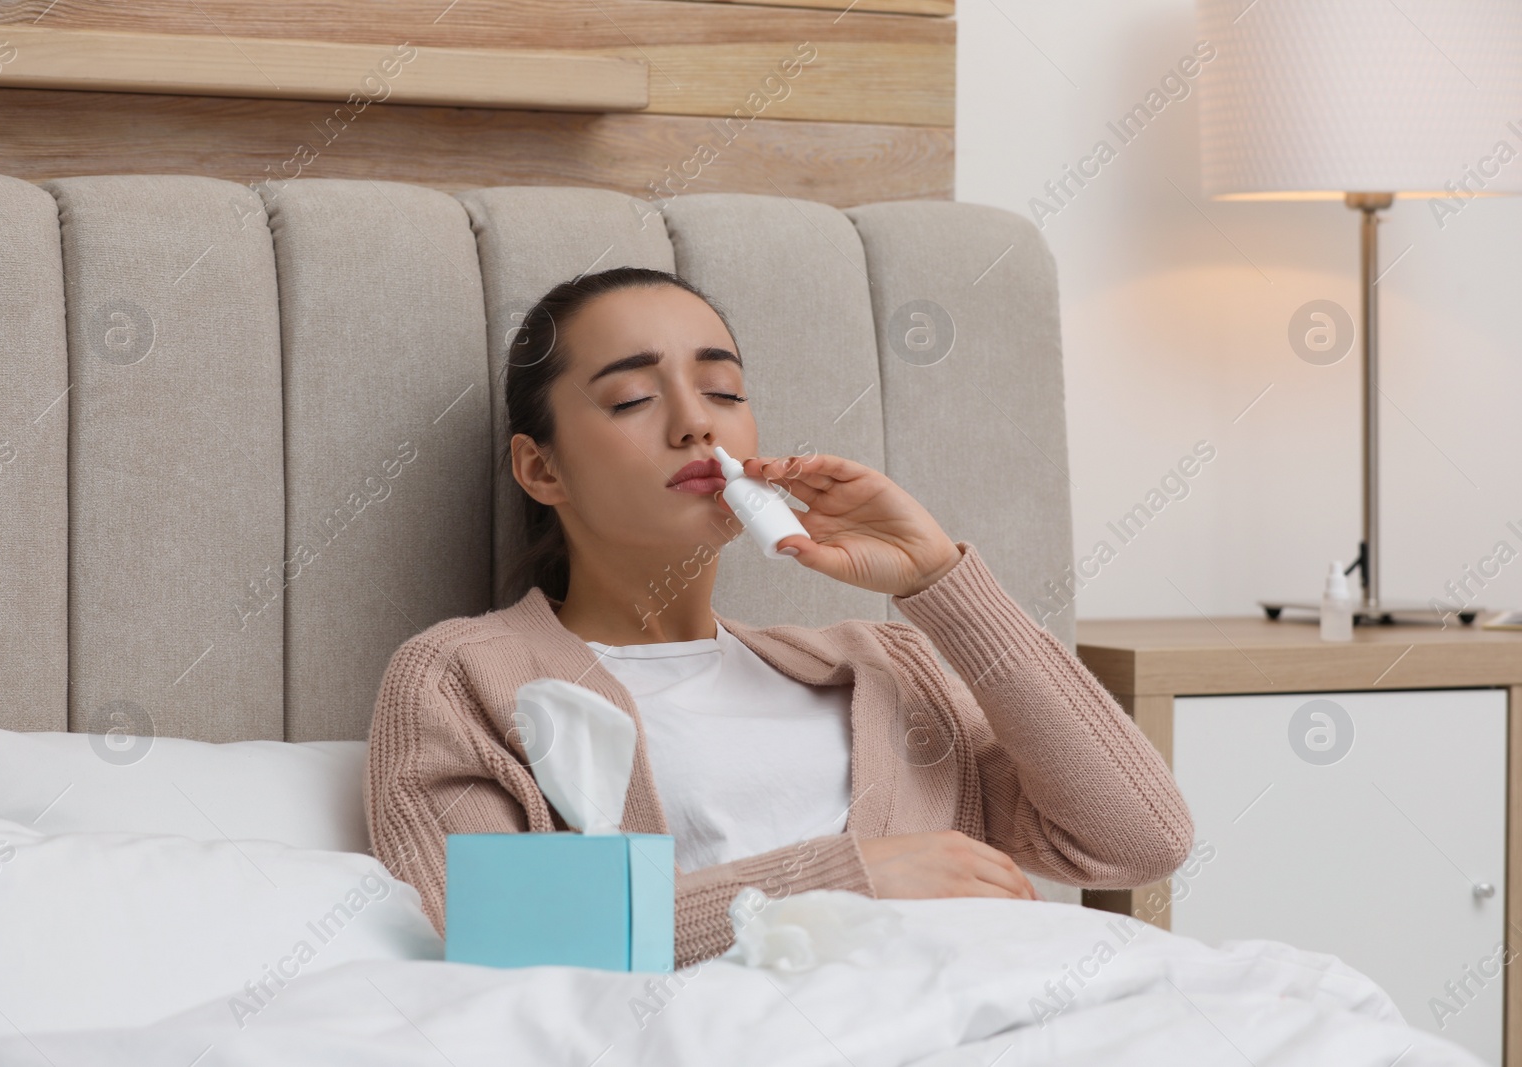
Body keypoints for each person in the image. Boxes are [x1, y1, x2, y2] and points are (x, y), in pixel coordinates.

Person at [364, 266, 1193, 967]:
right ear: (540, 468)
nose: (698, 421)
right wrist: (844, 876)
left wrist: (942, 580)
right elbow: (500, 936)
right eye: (631, 399)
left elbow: (1140, 837)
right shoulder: (466, 674)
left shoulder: (882, 664)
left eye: (723, 389)